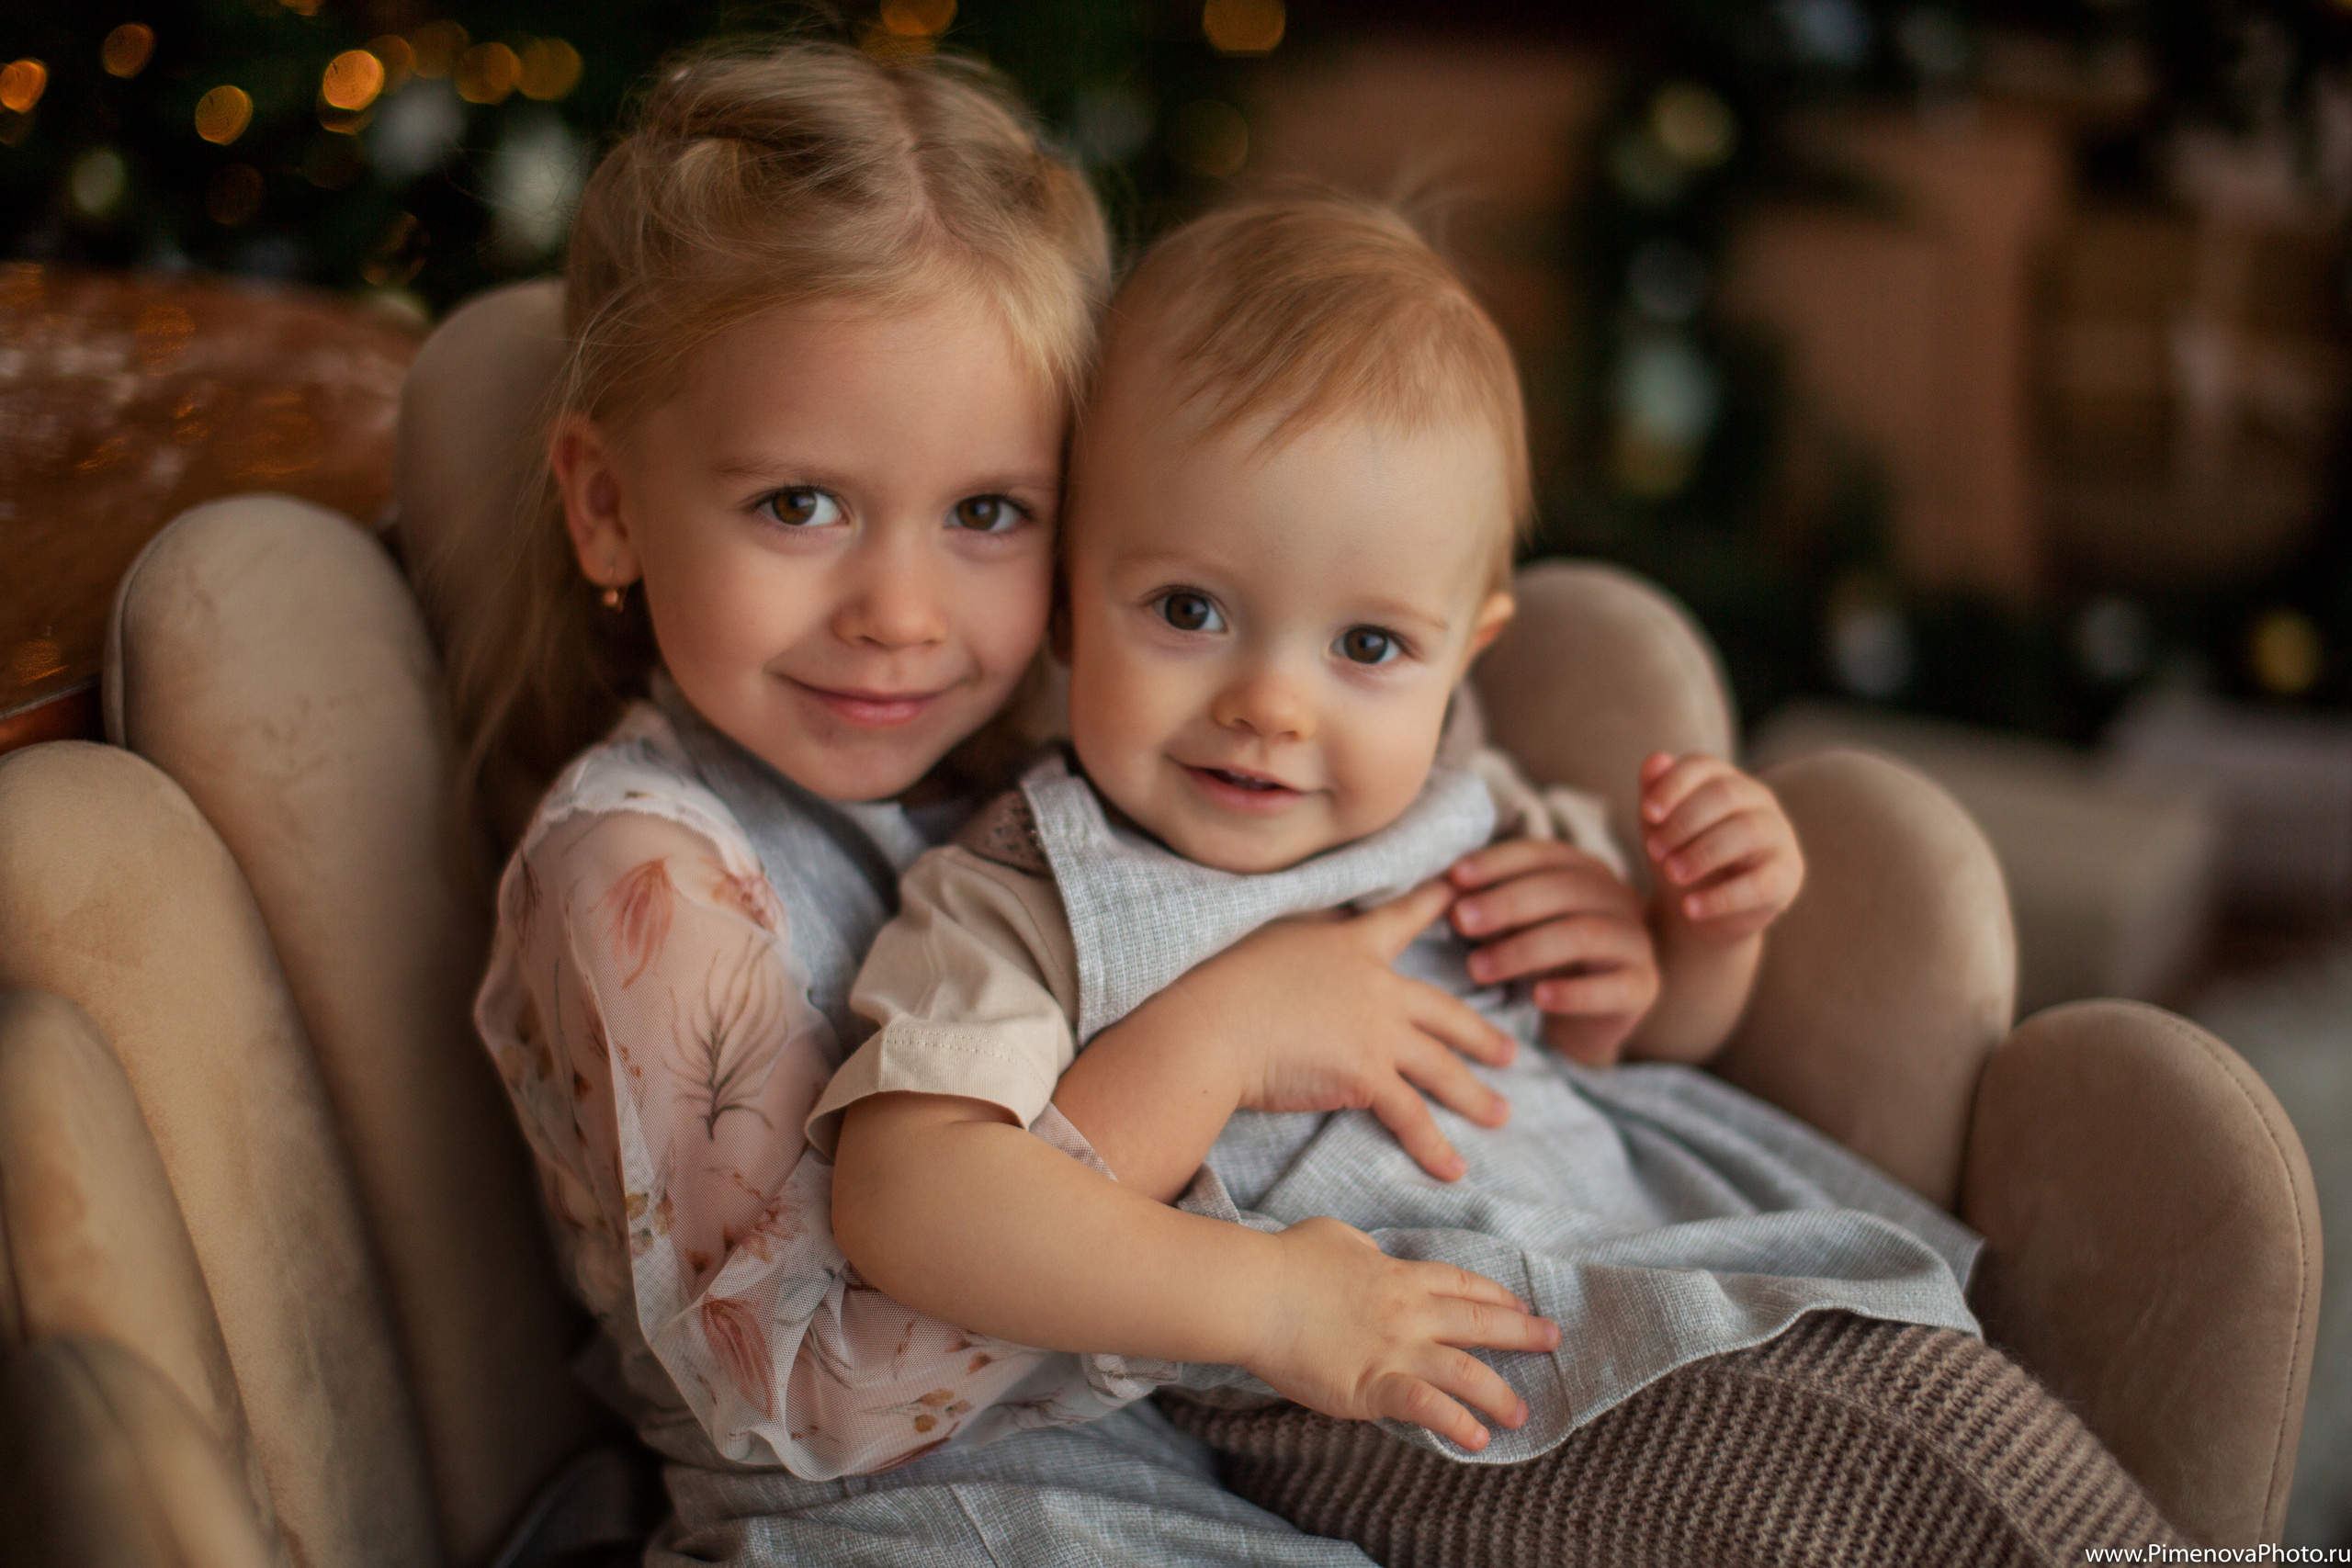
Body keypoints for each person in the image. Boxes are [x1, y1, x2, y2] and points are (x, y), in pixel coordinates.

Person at [821, 194, 2186, 1563]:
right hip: (1435, 1399)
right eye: (1189, 610)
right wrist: (1261, 1234)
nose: (1274, 706)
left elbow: (1639, 1043)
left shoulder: (1474, 810)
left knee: (1981, 1443)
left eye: (1368, 646)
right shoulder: (1031, 888)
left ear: (1466, 654)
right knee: (1909, 1482)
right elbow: (907, 1201)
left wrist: (1688, 939)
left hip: (1655, 1274)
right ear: (1065, 600)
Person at [462, 41, 1593, 1568]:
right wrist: (1226, 1083)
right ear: (607, 504)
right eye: (800, 504)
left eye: (989, 513)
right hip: (911, 1531)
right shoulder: (642, 874)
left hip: (1189, 1479)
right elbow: (811, 1382)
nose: (903, 612)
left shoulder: (1052, 756)